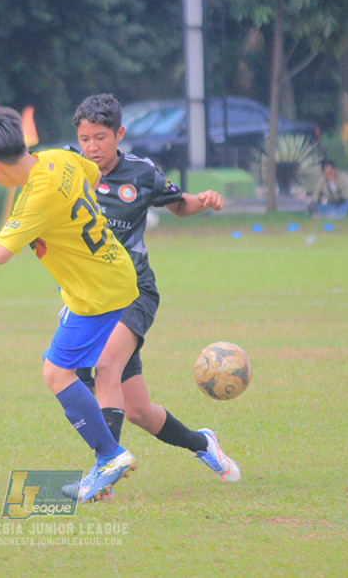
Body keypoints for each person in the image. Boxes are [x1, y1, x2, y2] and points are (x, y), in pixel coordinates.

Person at [0, 97, 139, 503]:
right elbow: (92, 173)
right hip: (111, 273)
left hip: (97, 294)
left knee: (56, 373)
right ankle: (107, 452)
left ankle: (110, 457)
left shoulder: (34, 200)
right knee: (73, 369)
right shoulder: (60, 158)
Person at [64, 94, 241, 499]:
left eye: (100, 138)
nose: (92, 147)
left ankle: (105, 472)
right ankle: (203, 443)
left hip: (134, 291)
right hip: (91, 298)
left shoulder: (141, 173)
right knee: (138, 410)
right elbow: (19, 161)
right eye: (85, 139)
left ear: (119, 134)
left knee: (105, 367)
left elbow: (179, 204)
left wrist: (204, 201)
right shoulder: (69, 168)